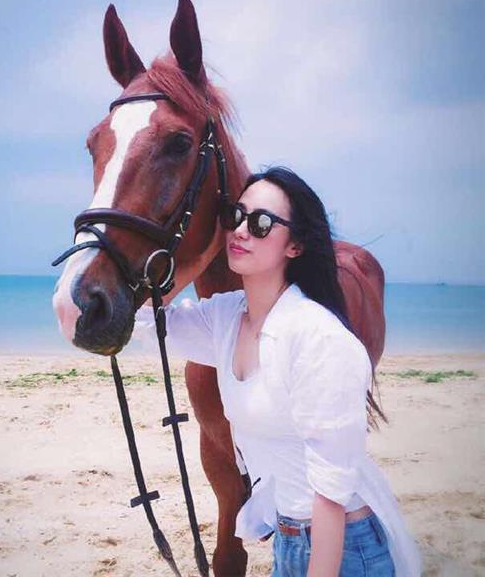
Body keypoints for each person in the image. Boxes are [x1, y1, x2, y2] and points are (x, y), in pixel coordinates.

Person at [134, 167, 421, 576]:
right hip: (288, 537)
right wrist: (197, 259)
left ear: (295, 245)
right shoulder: (227, 318)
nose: (241, 231)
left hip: (343, 545)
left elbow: (330, 494)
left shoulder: (319, 337)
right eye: (235, 217)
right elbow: (146, 319)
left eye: (261, 223)